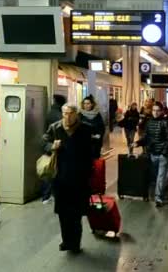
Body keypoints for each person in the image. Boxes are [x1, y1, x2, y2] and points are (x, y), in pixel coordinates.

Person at [42, 104, 93, 254]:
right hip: (60, 178)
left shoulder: (85, 129)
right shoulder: (55, 128)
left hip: (79, 178)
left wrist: (89, 174)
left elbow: (91, 153)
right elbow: (43, 142)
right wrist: (51, 146)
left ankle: (75, 243)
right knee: (63, 212)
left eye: (70, 113)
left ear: (77, 114)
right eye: (65, 113)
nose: (67, 117)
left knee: (76, 214)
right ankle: (66, 240)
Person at [134, 103, 168, 207]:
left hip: (163, 155)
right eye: (154, 110)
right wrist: (137, 143)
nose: (155, 112)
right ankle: (163, 188)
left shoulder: (165, 122)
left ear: (162, 111)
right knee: (156, 176)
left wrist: (164, 152)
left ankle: (158, 198)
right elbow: (146, 137)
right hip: (153, 153)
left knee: (160, 176)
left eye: (158, 110)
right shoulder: (149, 122)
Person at [42, 94, 67, 204]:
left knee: (51, 171)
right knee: (55, 171)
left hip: (50, 146)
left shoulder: (50, 112)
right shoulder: (59, 115)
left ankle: (47, 196)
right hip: (56, 147)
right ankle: (49, 195)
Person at [79, 95, 105, 160]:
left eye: (88, 103)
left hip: (95, 144)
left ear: (92, 104)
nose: (86, 105)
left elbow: (101, 128)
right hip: (83, 144)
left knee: (94, 163)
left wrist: (98, 135)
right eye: (84, 103)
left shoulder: (97, 115)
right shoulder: (80, 115)